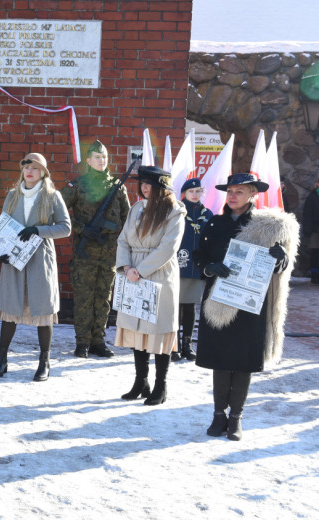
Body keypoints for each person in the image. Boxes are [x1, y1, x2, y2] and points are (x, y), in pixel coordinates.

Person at [194, 173, 298, 441]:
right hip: (219, 298)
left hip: (251, 301)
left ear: (253, 194)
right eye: (230, 190)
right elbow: (199, 256)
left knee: (243, 360)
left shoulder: (267, 226)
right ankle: (218, 415)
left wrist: (281, 258)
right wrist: (209, 267)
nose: (232, 195)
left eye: (239, 191)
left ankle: (236, 417)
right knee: (220, 358)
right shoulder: (214, 223)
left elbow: (282, 267)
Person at [0, 153, 71, 381]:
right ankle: (2, 359)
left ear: (43, 172)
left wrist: (38, 230)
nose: (29, 171)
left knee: (43, 310)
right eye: (26, 166)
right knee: (9, 309)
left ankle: (44, 362)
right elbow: (3, 226)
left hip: (40, 258)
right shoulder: (12, 196)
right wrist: (2, 251)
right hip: (14, 259)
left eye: (35, 168)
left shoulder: (52, 196)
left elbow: (65, 228)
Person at [114, 166, 186, 406]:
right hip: (133, 271)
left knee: (158, 330)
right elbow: (123, 240)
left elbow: (168, 247)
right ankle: (141, 382)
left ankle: (161, 385)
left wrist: (141, 270)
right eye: (143, 183)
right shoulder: (136, 208)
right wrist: (126, 267)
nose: (145, 187)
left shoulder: (174, 211)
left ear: (162, 187)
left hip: (158, 274)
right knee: (137, 327)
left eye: (150, 184)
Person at [61, 139, 131, 358]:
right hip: (85, 254)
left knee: (103, 299)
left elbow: (127, 219)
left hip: (109, 255)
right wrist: (81, 228)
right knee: (83, 299)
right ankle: (82, 342)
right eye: (98, 157)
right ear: (89, 160)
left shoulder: (117, 187)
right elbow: (57, 212)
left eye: (105, 157)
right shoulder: (78, 185)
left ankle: (98, 341)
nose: (102, 161)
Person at [174, 177, 213, 362]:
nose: (195, 194)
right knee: (174, 307)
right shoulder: (177, 212)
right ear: (185, 194)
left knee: (190, 307)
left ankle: (186, 345)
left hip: (197, 267)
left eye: (198, 191)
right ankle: (172, 345)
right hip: (178, 265)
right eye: (192, 191)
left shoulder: (208, 214)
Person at [301, 176, 319, 284]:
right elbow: (307, 214)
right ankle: (314, 275)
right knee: (315, 252)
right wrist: (307, 230)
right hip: (315, 229)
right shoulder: (313, 197)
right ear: (318, 184)